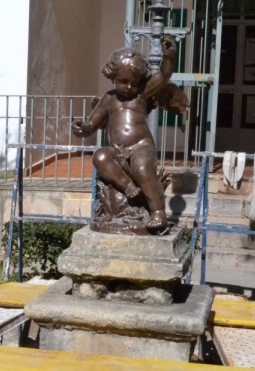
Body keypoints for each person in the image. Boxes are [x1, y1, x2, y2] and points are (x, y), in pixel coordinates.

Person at [72, 37, 185, 231]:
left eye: (133, 82)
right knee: (100, 156)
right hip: (117, 150)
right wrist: (82, 128)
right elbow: (92, 124)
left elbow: (164, 76)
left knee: (142, 169)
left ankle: (158, 211)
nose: (129, 87)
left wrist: (168, 57)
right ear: (113, 77)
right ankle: (127, 186)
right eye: (123, 82)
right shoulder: (108, 99)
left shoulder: (142, 94)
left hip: (141, 145)